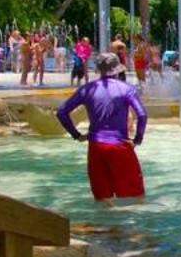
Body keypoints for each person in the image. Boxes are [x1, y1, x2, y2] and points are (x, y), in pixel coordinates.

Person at [57, 55, 149, 203]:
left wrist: (77, 135)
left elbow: (62, 112)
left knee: (103, 200)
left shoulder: (87, 89)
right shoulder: (126, 89)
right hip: (120, 146)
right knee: (135, 199)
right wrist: (137, 140)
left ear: (99, 70)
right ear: (117, 70)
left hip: (96, 147)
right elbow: (142, 115)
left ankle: (104, 226)